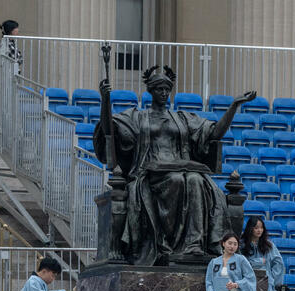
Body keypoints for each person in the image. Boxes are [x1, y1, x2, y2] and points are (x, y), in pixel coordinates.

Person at [94, 65, 257, 265]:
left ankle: (193, 245)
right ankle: (170, 245)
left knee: (198, 181)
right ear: (150, 91)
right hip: (150, 173)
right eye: (159, 89)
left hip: (183, 168)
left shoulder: (182, 118)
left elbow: (214, 133)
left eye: (166, 90)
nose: (163, 93)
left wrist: (234, 106)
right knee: (178, 180)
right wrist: (105, 101)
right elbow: (109, 129)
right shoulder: (137, 117)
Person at [240, 216, 284, 291]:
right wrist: (259, 262)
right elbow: (242, 264)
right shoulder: (242, 245)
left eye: (261, 228)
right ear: (250, 228)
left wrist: (272, 280)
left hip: (266, 283)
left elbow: (278, 263)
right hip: (247, 283)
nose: (259, 230)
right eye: (256, 228)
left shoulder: (269, 245)